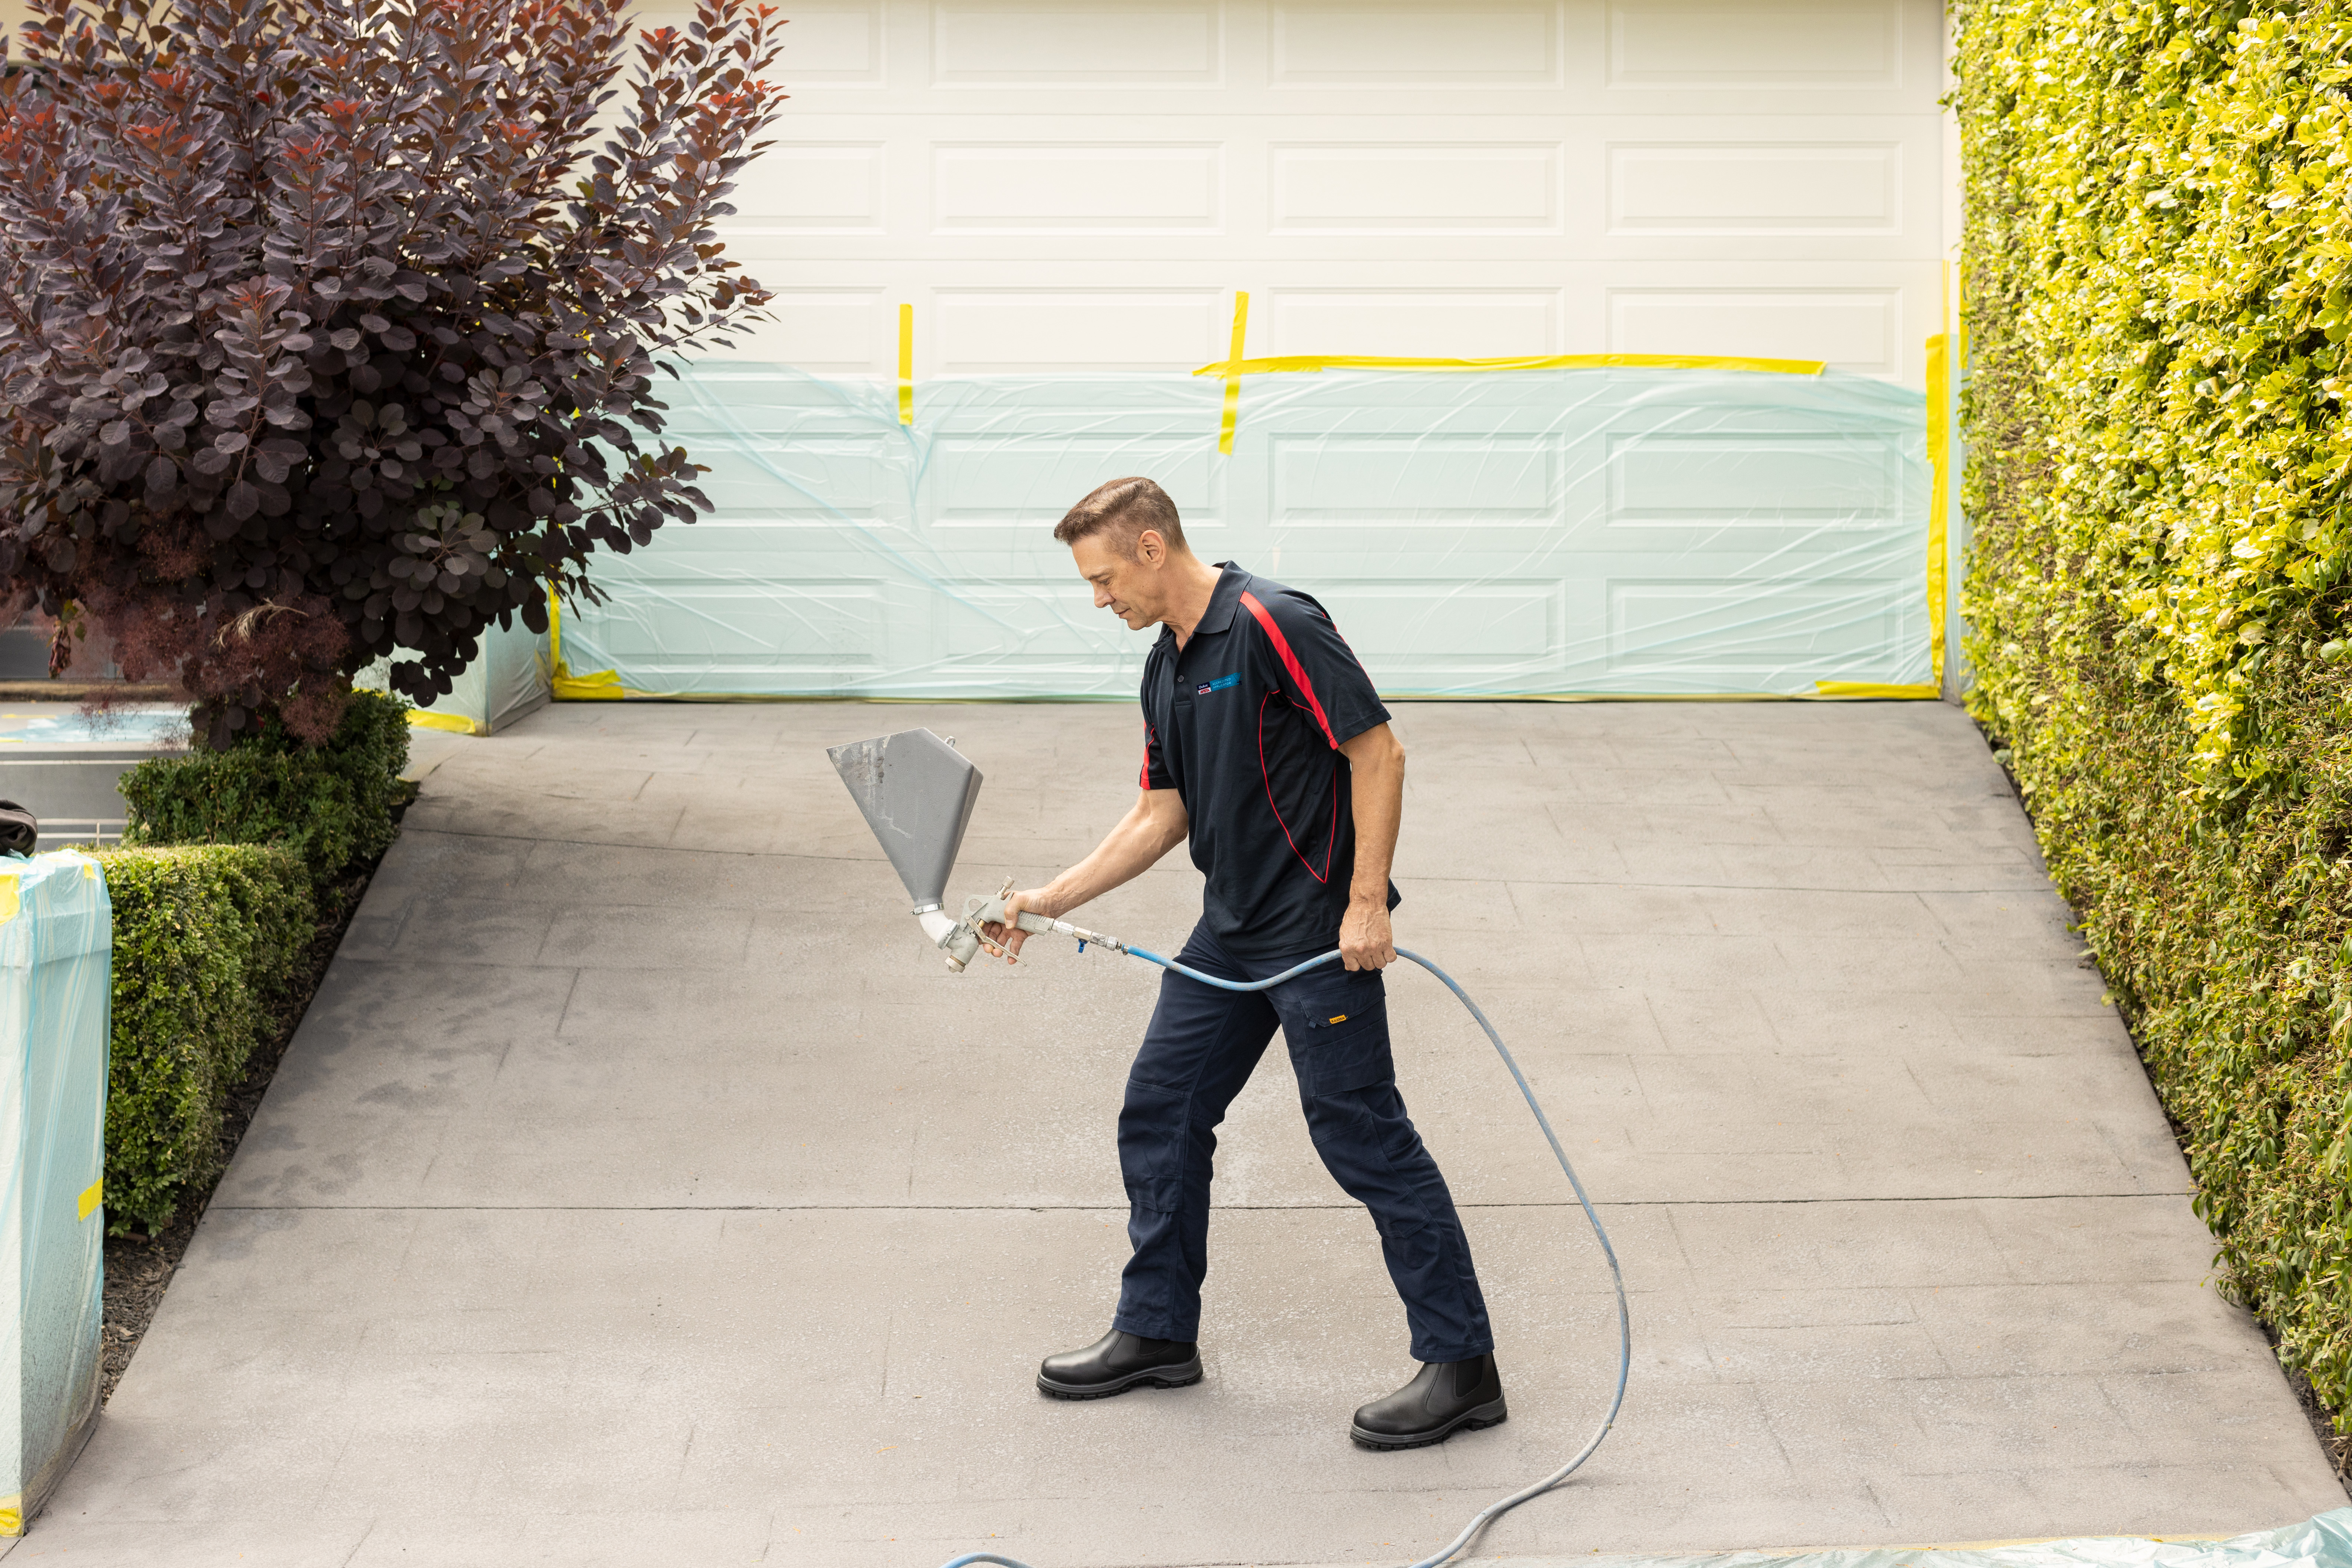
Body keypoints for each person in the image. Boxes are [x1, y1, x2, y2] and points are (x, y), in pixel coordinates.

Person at [980, 476, 1503, 1450]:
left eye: (1102, 581)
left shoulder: (1273, 622)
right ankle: (1156, 1334)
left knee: (1363, 1140)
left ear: (1147, 548)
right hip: (1229, 933)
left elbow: (1378, 753)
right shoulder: (1165, 667)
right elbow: (1159, 814)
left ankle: (1461, 1365)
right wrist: (1047, 900)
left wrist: (1362, 901)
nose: (1100, 603)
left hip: (1313, 931)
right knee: (1161, 1110)